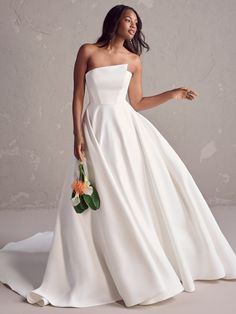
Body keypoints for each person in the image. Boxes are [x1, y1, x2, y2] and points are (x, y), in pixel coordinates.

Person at [0, 4, 236, 309]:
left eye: (137, 22)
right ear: (114, 21)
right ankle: (96, 265)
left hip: (126, 132)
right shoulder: (87, 51)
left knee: (129, 194)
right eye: (129, 19)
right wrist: (77, 134)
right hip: (96, 129)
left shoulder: (134, 61)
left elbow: (135, 103)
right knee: (99, 195)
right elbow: (78, 96)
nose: (134, 26)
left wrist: (172, 94)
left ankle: (140, 262)